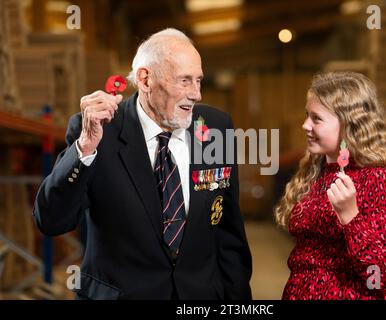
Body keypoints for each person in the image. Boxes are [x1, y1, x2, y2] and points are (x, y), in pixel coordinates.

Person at [33, 28, 252, 300]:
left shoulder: (216, 127)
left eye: (198, 80)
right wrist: (85, 149)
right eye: (184, 81)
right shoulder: (100, 131)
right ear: (145, 79)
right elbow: (51, 220)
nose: (196, 94)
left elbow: (229, 233)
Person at [275, 71, 386, 300]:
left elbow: (380, 278)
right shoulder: (315, 170)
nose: (305, 125)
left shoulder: (377, 180)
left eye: (316, 118)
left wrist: (350, 217)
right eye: (307, 115)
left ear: (347, 125)